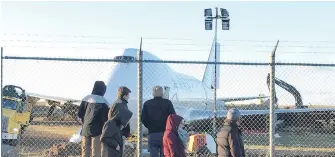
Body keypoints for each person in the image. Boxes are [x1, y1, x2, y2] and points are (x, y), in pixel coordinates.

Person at [141, 86, 176, 157]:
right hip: (165, 133)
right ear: (162, 93)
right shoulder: (168, 103)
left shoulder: (147, 103)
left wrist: (150, 126)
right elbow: (173, 117)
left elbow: (143, 118)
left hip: (152, 133)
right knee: (165, 153)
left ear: (153, 93)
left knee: (153, 153)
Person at [77, 81, 109, 157]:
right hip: (98, 130)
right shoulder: (104, 101)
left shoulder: (86, 98)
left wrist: (83, 122)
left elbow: (79, 114)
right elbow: (105, 118)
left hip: (86, 128)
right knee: (96, 151)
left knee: (85, 150)